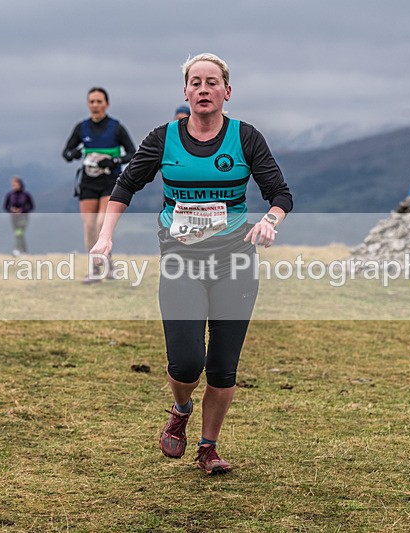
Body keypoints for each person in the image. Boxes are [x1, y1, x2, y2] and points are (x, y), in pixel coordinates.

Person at [90, 53, 292, 474]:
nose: (203, 89)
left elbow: (280, 194)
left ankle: (208, 448)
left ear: (226, 91)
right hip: (181, 260)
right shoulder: (163, 139)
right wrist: (105, 237)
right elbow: (125, 185)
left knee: (222, 368)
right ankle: (181, 408)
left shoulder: (246, 138)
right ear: (185, 91)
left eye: (212, 82)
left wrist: (270, 221)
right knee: (186, 364)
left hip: (235, 262)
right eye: (195, 82)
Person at [62, 87, 135, 283]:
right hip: (88, 182)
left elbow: (132, 153)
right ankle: (97, 268)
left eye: (99, 101)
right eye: (92, 101)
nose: (95, 105)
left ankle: (105, 264)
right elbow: (66, 152)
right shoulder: (81, 128)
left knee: (101, 223)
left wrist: (113, 161)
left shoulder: (116, 128)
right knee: (89, 227)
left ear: (106, 104)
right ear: (88, 104)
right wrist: (74, 154)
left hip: (110, 181)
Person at [4, 176, 34, 255]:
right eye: (12, 185)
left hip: (23, 217)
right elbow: (6, 206)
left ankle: (19, 249)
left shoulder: (26, 195)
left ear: (20, 184)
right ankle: (23, 250)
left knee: (20, 232)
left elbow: (31, 206)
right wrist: (12, 210)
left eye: (15, 184)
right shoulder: (10, 195)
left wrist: (22, 211)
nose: (13, 186)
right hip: (14, 218)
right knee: (18, 233)